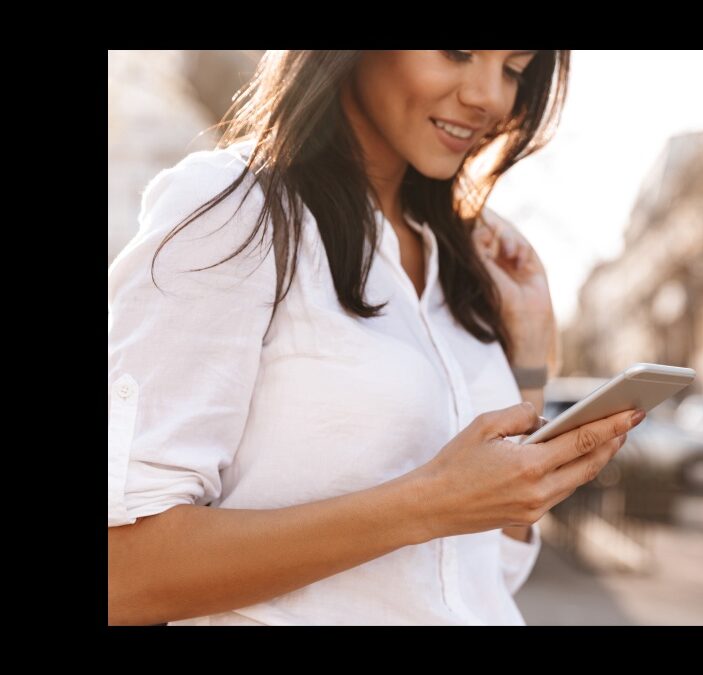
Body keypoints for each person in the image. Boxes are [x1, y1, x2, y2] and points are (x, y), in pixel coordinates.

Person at [107, 50, 646, 626]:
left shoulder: (461, 263)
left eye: (514, 69)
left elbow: (481, 580)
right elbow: (125, 574)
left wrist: (532, 350)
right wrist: (431, 503)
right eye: (459, 53)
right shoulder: (234, 208)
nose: (490, 96)